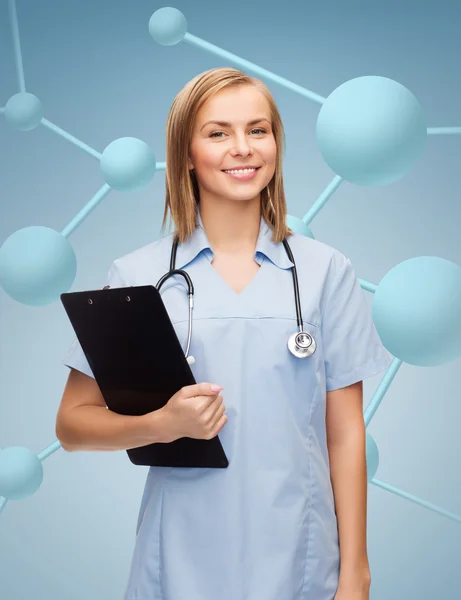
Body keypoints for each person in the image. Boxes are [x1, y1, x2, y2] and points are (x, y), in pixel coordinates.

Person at [55, 67, 392, 600]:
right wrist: (162, 423)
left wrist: (357, 573)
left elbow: (346, 434)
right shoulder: (137, 276)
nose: (243, 148)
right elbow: (72, 426)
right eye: (218, 133)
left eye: (258, 130)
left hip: (300, 554)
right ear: (186, 154)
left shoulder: (325, 272)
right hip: (179, 553)